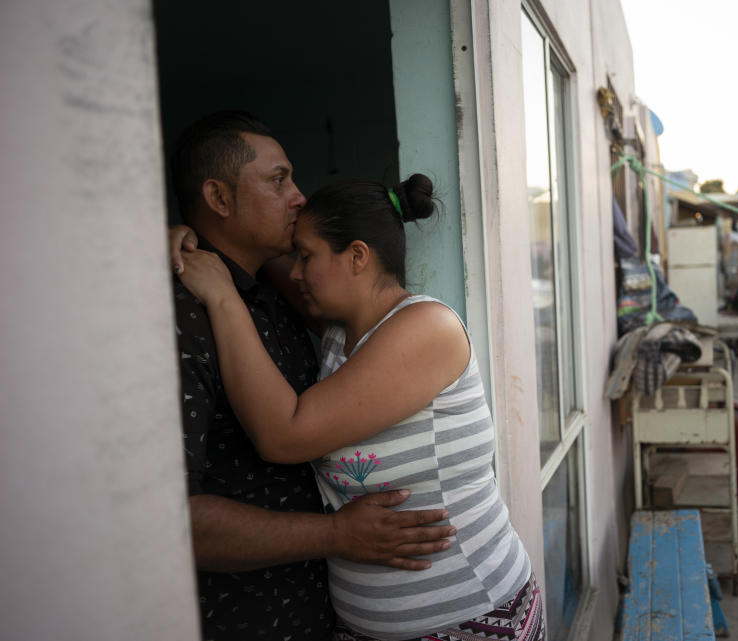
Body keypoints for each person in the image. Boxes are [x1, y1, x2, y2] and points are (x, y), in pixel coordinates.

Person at [174, 174, 544, 641]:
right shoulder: (339, 331)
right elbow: (259, 260)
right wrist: (182, 242)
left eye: (306, 256)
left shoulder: (426, 329)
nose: (295, 270)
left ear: (357, 256)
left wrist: (222, 295)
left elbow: (283, 435)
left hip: (468, 621)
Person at [169, 112, 455, 641]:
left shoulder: (276, 294)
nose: (299, 196)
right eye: (279, 181)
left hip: (318, 613)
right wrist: (335, 535)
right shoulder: (182, 313)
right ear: (219, 198)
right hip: (243, 619)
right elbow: (167, 518)